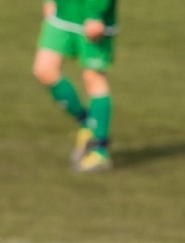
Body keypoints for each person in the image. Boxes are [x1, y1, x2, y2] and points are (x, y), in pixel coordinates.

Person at [32, 0, 118, 173]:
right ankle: (87, 124)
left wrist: (95, 14)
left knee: (93, 77)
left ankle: (100, 151)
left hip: (92, 16)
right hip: (63, 13)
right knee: (44, 70)